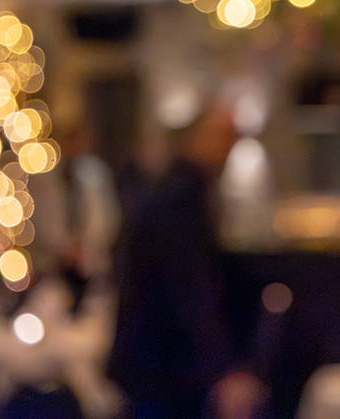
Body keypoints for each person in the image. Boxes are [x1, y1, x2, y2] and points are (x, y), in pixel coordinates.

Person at [107, 102, 265, 419]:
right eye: (224, 136)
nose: (228, 147)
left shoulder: (180, 191)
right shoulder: (179, 201)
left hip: (158, 364)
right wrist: (221, 364)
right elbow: (190, 289)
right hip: (163, 368)